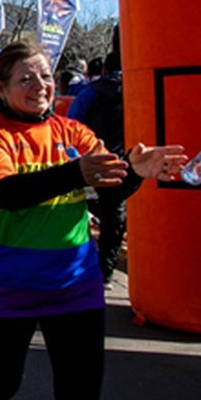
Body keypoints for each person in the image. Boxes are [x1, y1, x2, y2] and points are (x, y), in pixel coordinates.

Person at [0, 42, 186, 400]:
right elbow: (7, 194)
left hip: (74, 286)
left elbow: (111, 193)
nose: (40, 85)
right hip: (5, 286)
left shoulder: (75, 133)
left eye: (44, 75)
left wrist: (135, 171)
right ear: (0, 89)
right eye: (26, 78)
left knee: (81, 392)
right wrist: (74, 173)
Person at [67, 50, 126, 288]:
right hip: (123, 163)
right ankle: (105, 272)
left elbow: (73, 122)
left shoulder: (90, 92)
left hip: (90, 162)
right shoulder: (138, 91)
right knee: (115, 218)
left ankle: (77, 264)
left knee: (81, 208)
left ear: (103, 69)